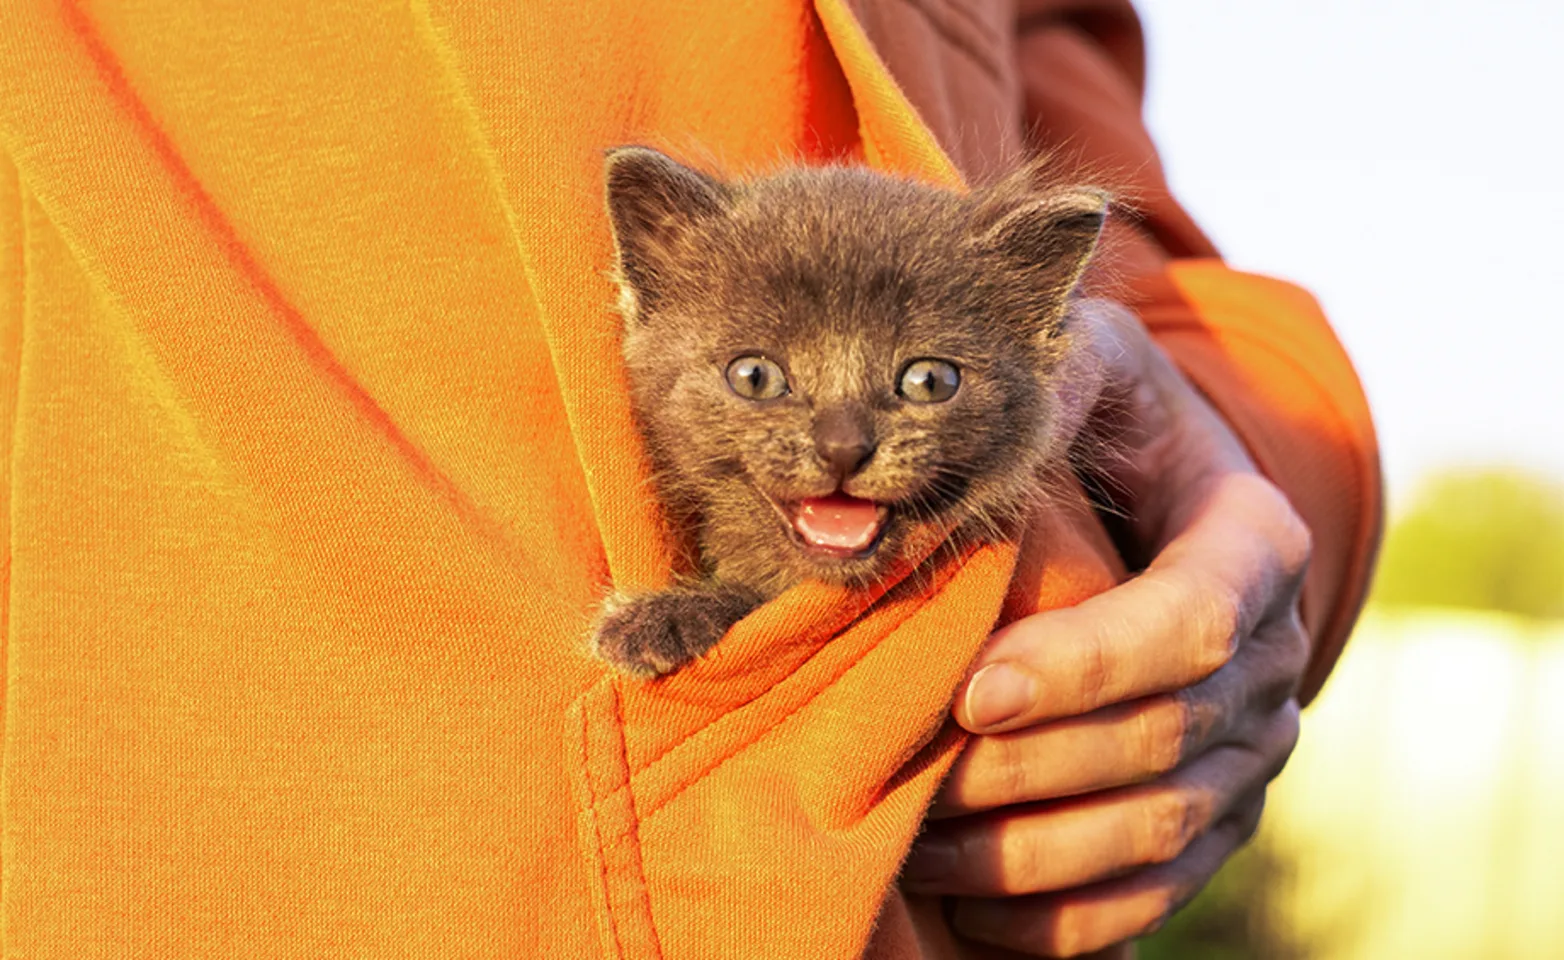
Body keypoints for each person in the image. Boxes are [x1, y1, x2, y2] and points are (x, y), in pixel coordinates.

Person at [0, 0, 1377, 957]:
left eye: (910, 391)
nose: (840, 444)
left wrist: (1230, 469)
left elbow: (1126, 224)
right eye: (770, 384)